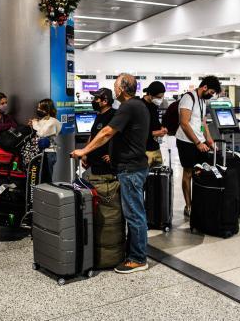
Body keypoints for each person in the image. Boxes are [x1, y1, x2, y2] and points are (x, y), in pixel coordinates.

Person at [72, 73, 150, 274]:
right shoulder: (138, 105)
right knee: (133, 213)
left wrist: (84, 150)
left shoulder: (129, 106)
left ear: (122, 89)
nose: (114, 89)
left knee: (134, 214)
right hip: (133, 167)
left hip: (131, 169)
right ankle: (134, 252)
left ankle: (138, 258)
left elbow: (108, 132)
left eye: (116, 86)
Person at [175, 76, 221, 218]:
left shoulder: (202, 101)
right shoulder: (188, 98)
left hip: (199, 141)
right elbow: (184, 123)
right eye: (212, 92)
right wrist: (198, 143)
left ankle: (199, 203)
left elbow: (203, 122)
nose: (211, 95)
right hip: (186, 142)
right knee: (188, 173)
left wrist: (210, 141)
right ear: (205, 87)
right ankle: (188, 206)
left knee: (200, 172)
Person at [81, 88, 116, 176]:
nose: (93, 101)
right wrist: (85, 153)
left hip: (106, 168)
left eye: (96, 99)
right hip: (95, 165)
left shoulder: (114, 115)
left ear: (105, 101)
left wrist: (114, 155)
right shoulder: (99, 115)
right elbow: (93, 135)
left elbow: (121, 137)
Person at [29, 98, 62, 180]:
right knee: (40, 177)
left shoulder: (53, 121)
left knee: (46, 178)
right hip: (41, 152)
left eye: (40, 108)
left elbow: (42, 133)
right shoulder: (43, 120)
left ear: (46, 109)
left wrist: (34, 123)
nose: (38, 110)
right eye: (38, 108)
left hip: (48, 153)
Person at [141, 81, 168, 167]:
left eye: (162, 97)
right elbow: (135, 131)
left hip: (156, 148)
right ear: (150, 94)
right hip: (144, 150)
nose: (160, 99)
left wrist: (161, 129)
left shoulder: (154, 105)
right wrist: (154, 133)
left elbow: (154, 123)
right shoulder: (139, 106)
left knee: (158, 178)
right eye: (158, 97)